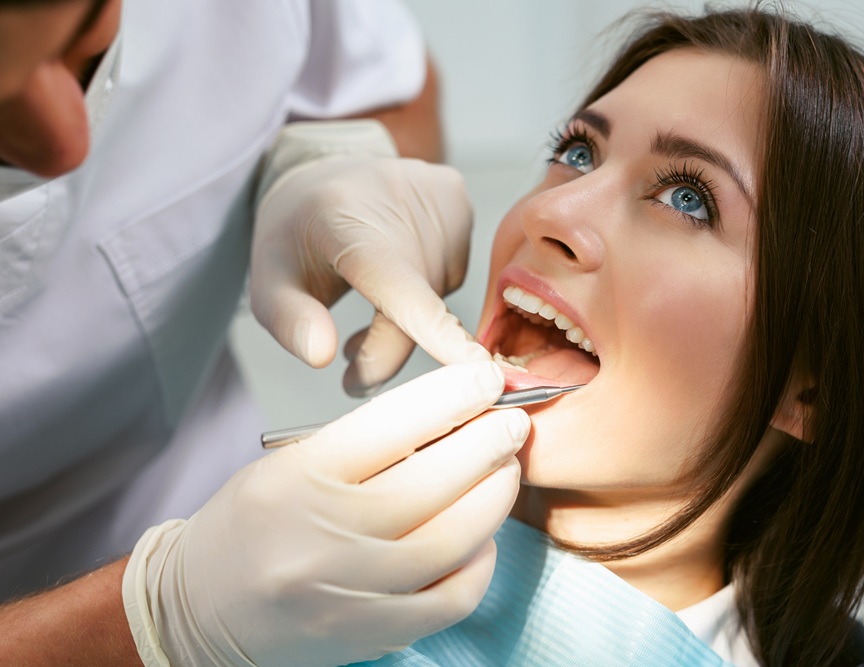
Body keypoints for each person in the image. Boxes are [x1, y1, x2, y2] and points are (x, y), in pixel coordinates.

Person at [343, 6, 864, 666]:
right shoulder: (291, 569)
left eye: (688, 197)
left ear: (815, 390)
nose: (547, 212)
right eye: (577, 153)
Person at [0, 0, 526, 665]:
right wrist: (158, 618)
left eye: (84, 36)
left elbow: (387, 89)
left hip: (208, 493)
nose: (65, 146)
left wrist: (342, 159)